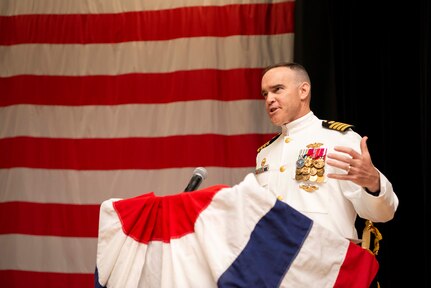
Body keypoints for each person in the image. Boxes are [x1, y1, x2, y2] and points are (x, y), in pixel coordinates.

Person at [255, 62, 399, 241]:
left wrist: (373, 184)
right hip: (277, 262)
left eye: (277, 89)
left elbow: (383, 213)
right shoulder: (265, 154)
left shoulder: (338, 139)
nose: (269, 99)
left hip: (326, 262)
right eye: (265, 94)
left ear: (303, 91)